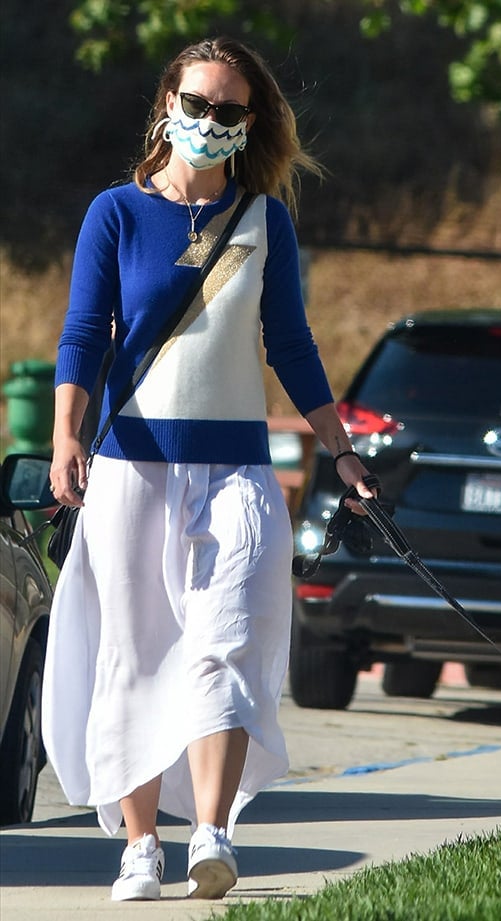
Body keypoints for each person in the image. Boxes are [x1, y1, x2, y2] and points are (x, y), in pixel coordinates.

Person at [44, 36, 376, 902]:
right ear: (167, 103)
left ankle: (214, 833)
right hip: (132, 466)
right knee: (135, 651)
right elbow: (85, 333)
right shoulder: (115, 212)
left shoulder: (265, 222)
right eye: (196, 103)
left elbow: (292, 345)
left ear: (249, 122)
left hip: (236, 469)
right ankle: (140, 845)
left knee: (226, 640)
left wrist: (340, 448)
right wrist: (65, 437)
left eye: (228, 110)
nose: (209, 120)